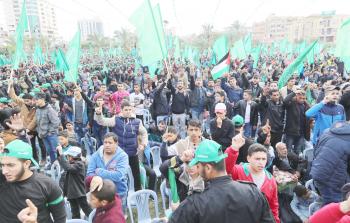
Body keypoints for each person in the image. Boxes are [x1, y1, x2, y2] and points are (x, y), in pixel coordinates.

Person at [168, 139, 275, 223]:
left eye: (198, 166)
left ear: (208, 168)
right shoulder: (253, 192)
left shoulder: (194, 203)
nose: (198, 169)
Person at [0, 139, 66, 222]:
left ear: (27, 164)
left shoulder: (48, 185)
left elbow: (60, 220)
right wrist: (22, 133)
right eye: (2, 165)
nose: (4, 171)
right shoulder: (2, 179)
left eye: (11, 165)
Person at [94, 100, 148, 191]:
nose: (128, 111)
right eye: (126, 109)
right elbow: (102, 121)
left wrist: (143, 144)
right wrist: (99, 114)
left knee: (136, 175)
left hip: (132, 153)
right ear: (122, 110)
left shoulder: (137, 121)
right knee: (118, 176)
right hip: (119, 154)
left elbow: (144, 133)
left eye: (129, 109)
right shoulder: (116, 119)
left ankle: (138, 194)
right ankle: (119, 194)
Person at [225, 137, 280, 223]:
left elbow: (273, 206)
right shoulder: (239, 170)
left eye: (263, 159)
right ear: (248, 158)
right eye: (257, 159)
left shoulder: (271, 180)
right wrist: (233, 149)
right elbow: (226, 168)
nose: (261, 162)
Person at [311, 121, 350, 204]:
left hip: (317, 173)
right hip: (333, 181)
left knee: (326, 202)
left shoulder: (327, 131)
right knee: (335, 207)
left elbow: (315, 151)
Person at [87, 132, 129, 210]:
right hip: (100, 193)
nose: (107, 145)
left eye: (110, 143)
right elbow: (89, 173)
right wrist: (97, 178)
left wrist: (99, 172)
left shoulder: (123, 156)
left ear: (116, 144)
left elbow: (118, 176)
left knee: (119, 217)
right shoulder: (96, 155)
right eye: (105, 142)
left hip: (119, 192)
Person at [57, 145, 92, 219]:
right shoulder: (73, 164)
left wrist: (61, 154)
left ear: (72, 156)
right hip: (71, 193)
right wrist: (59, 154)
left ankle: (95, 220)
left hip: (79, 192)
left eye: (68, 156)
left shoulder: (79, 164)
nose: (67, 158)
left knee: (86, 209)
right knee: (75, 212)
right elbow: (65, 164)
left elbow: (67, 167)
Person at [34, 92, 60, 163]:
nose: (35, 101)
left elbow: (56, 122)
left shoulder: (49, 109)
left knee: (55, 150)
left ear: (42, 99)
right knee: (49, 150)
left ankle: (59, 166)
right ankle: (53, 164)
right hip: (43, 135)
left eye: (37, 99)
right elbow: (37, 122)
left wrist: (49, 132)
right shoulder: (38, 109)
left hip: (51, 135)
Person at [283, 88, 311, 154]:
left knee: (297, 151)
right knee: (288, 151)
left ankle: (295, 164)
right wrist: (294, 92)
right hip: (291, 132)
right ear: (296, 97)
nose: (302, 100)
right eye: (300, 98)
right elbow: (285, 101)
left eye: (304, 98)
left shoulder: (306, 106)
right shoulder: (292, 103)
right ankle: (288, 164)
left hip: (301, 133)